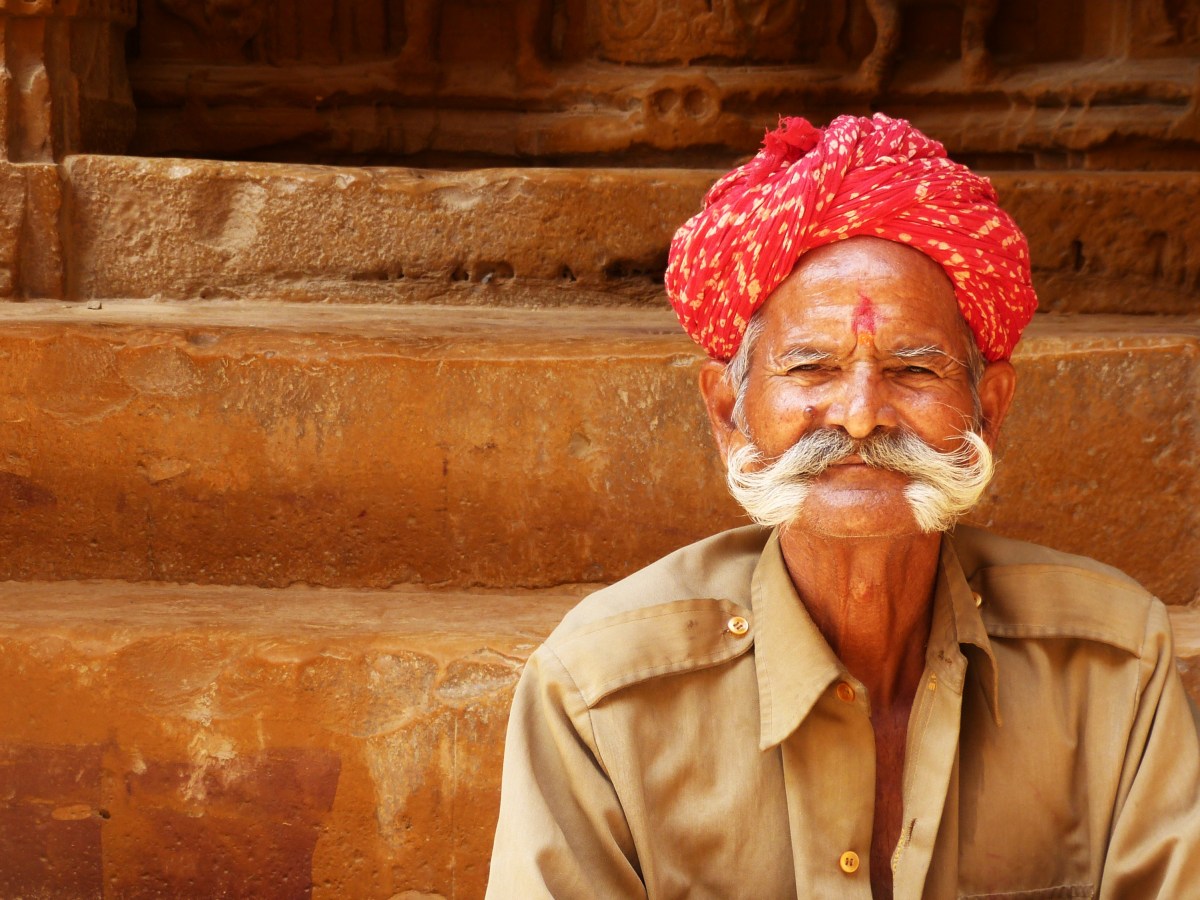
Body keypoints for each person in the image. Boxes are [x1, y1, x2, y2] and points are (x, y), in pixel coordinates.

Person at [484, 113, 1200, 899]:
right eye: (811, 368)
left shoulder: (1112, 670)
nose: (861, 415)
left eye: (914, 370)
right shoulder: (597, 694)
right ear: (727, 413)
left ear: (989, 410)